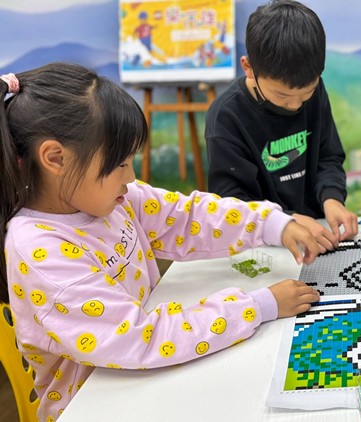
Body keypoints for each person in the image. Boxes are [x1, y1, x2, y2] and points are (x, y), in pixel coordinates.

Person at [0, 63, 321, 421]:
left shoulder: (111, 198)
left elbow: (187, 217)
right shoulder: (42, 253)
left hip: (145, 376)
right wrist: (256, 306)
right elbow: (141, 337)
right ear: (56, 158)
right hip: (96, 405)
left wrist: (271, 223)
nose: (131, 177)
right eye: (119, 164)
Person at [205, 0, 357, 252]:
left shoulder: (314, 90)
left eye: (306, 93)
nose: (295, 105)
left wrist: (332, 198)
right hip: (260, 241)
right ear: (248, 68)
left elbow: (328, 156)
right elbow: (232, 202)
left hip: (316, 230)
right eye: (283, 96)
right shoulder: (226, 117)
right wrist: (284, 221)